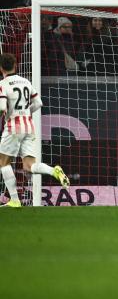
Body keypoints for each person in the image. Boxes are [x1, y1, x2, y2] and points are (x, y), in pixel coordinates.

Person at [0, 53, 69, 208]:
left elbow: (2, 107)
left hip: (13, 126)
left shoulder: (3, 84)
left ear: (1, 68)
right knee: (29, 166)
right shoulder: (25, 81)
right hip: (29, 126)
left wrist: (8, 114)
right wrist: (26, 112)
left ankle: (15, 200)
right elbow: (38, 103)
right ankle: (53, 171)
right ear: (15, 65)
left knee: (3, 163)